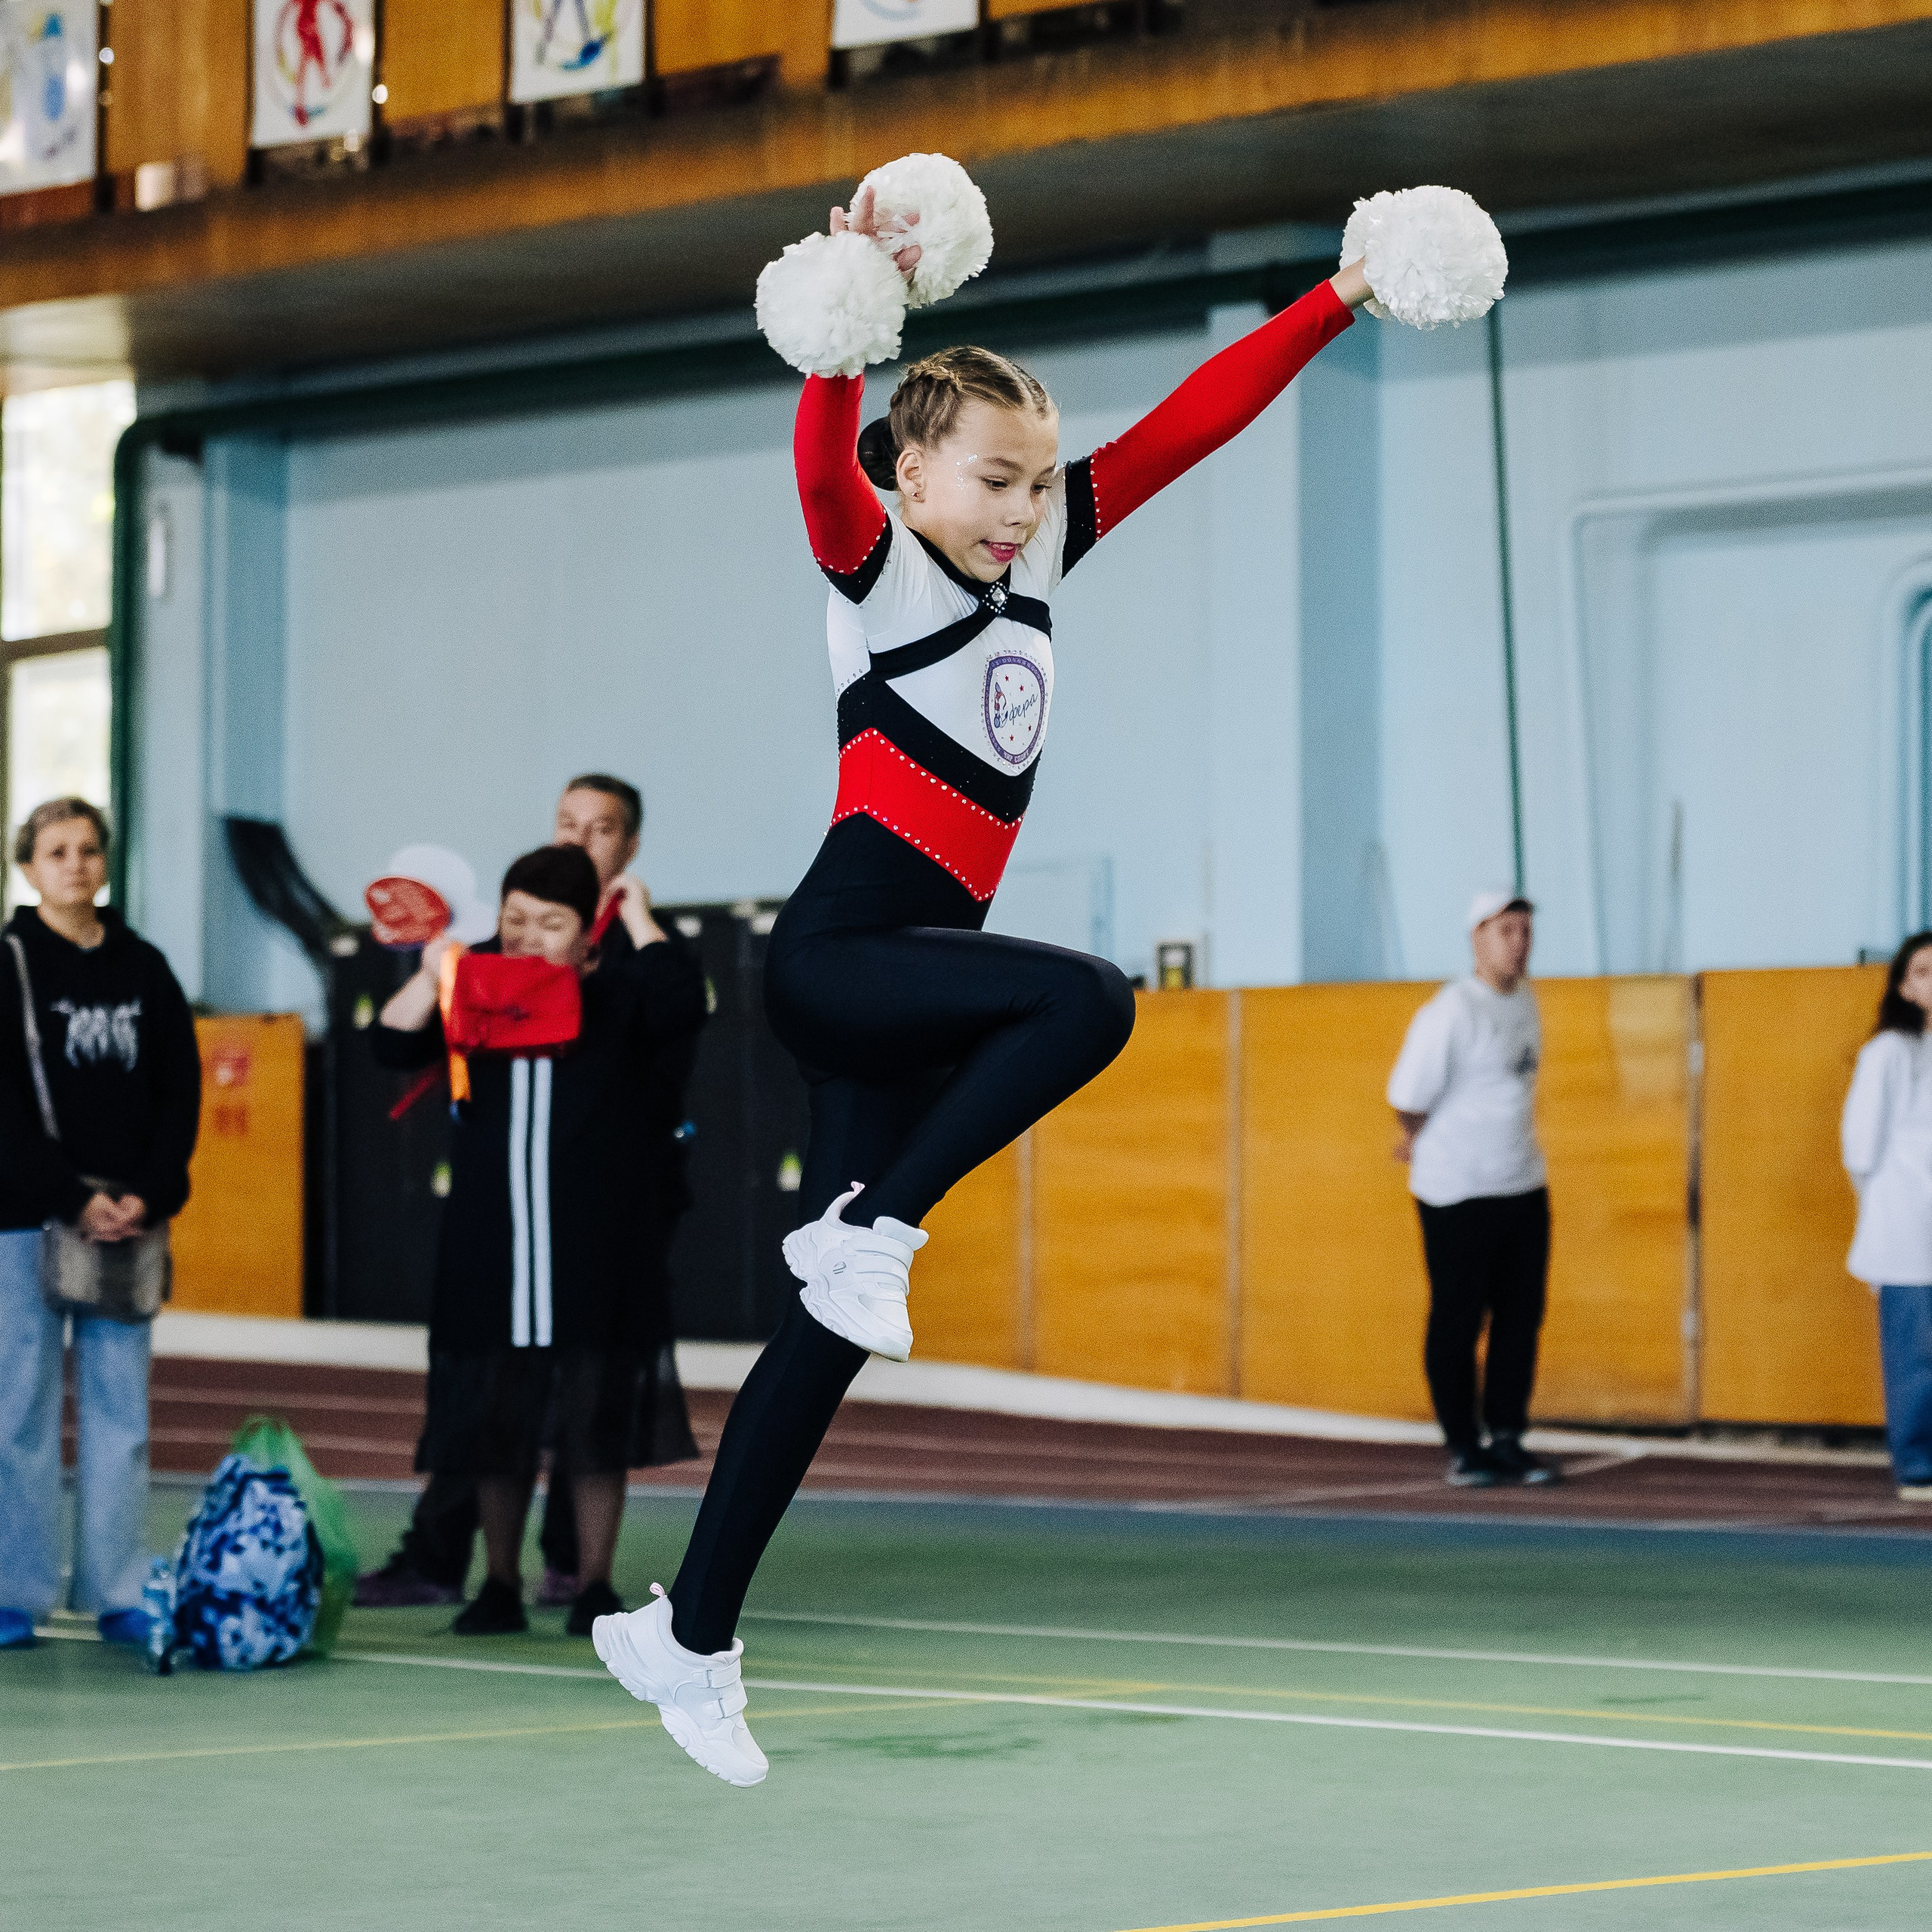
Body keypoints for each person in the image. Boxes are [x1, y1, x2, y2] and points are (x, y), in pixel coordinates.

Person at [589, 160, 1505, 1786]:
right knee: (1084, 997)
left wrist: (1341, 293)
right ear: (913, 471)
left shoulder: (1048, 553)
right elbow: (814, 464)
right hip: (844, 953)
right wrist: (843, 318)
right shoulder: (875, 566)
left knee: (826, 1329)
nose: (1021, 506)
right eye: (992, 480)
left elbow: (1192, 422)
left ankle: (692, 1630)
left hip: (911, 968)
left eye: (1035, 482)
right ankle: (870, 1224)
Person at [355, 772, 702, 1610]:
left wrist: (641, 911)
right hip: (493, 1249)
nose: (528, 937)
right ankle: (499, 1583)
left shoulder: (617, 996)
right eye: (515, 922)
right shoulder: (474, 992)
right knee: (493, 1426)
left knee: (593, 1426)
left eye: (551, 924)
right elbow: (389, 1045)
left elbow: (681, 999)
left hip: (591, 1249)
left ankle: (590, 1583)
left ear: (588, 939)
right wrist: (436, 966)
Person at [0, 799, 202, 1651]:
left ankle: (119, 1586)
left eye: (88, 849)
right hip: (23, 1220)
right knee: (20, 1411)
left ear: (107, 862)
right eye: (57, 851)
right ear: (29, 866)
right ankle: (17, 1591)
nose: (75, 864)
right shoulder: (7, 965)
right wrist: (67, 1193)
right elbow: (4, 1104)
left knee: (123, 1412)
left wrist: (147, 1195)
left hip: (127, 1227)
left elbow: (179, 1091)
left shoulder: (145, 968)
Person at [1387, 890, 1558, 1491]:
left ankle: (1506, 1436)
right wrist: (1414, 1139)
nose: (1519, 942)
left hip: (1523, 1185)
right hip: (1458, 1191)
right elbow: (1408, 1098)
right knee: (1459, 1320)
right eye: (1506, 931)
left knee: (1520, 1318)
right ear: (1477, 938)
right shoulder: (1451, 1012)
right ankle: (1464, 1445)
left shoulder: (1526, 1001)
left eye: (1525, 931)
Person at [1841, 931, 1932, 1504]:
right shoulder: (1890, 1054)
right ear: (1904, 987)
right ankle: (1918, 1463)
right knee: (1916, 1354)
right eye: (1923, 971)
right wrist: (1877, 1217)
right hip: (1908, 1228)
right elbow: (1861, 1151)